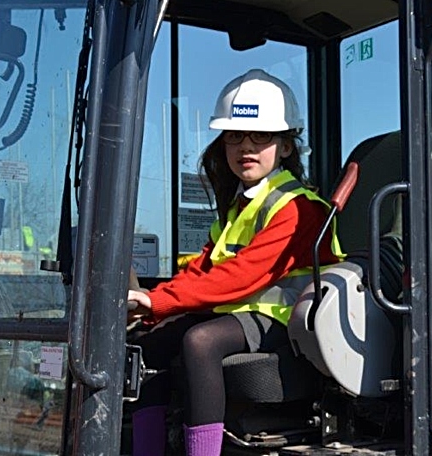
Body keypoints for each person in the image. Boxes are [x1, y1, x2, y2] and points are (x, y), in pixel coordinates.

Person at [126, 68, 344, 456]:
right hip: (242, 313)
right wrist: (151, 305)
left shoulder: (298, 208)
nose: (246, 147)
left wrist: (159, 302)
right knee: (148, 341)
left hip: (289, 322)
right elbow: (203, 269)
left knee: (201, 341)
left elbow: (240, 276)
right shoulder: (240, 206)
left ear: (286, 146)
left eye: (260, 136)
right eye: (234, 136)